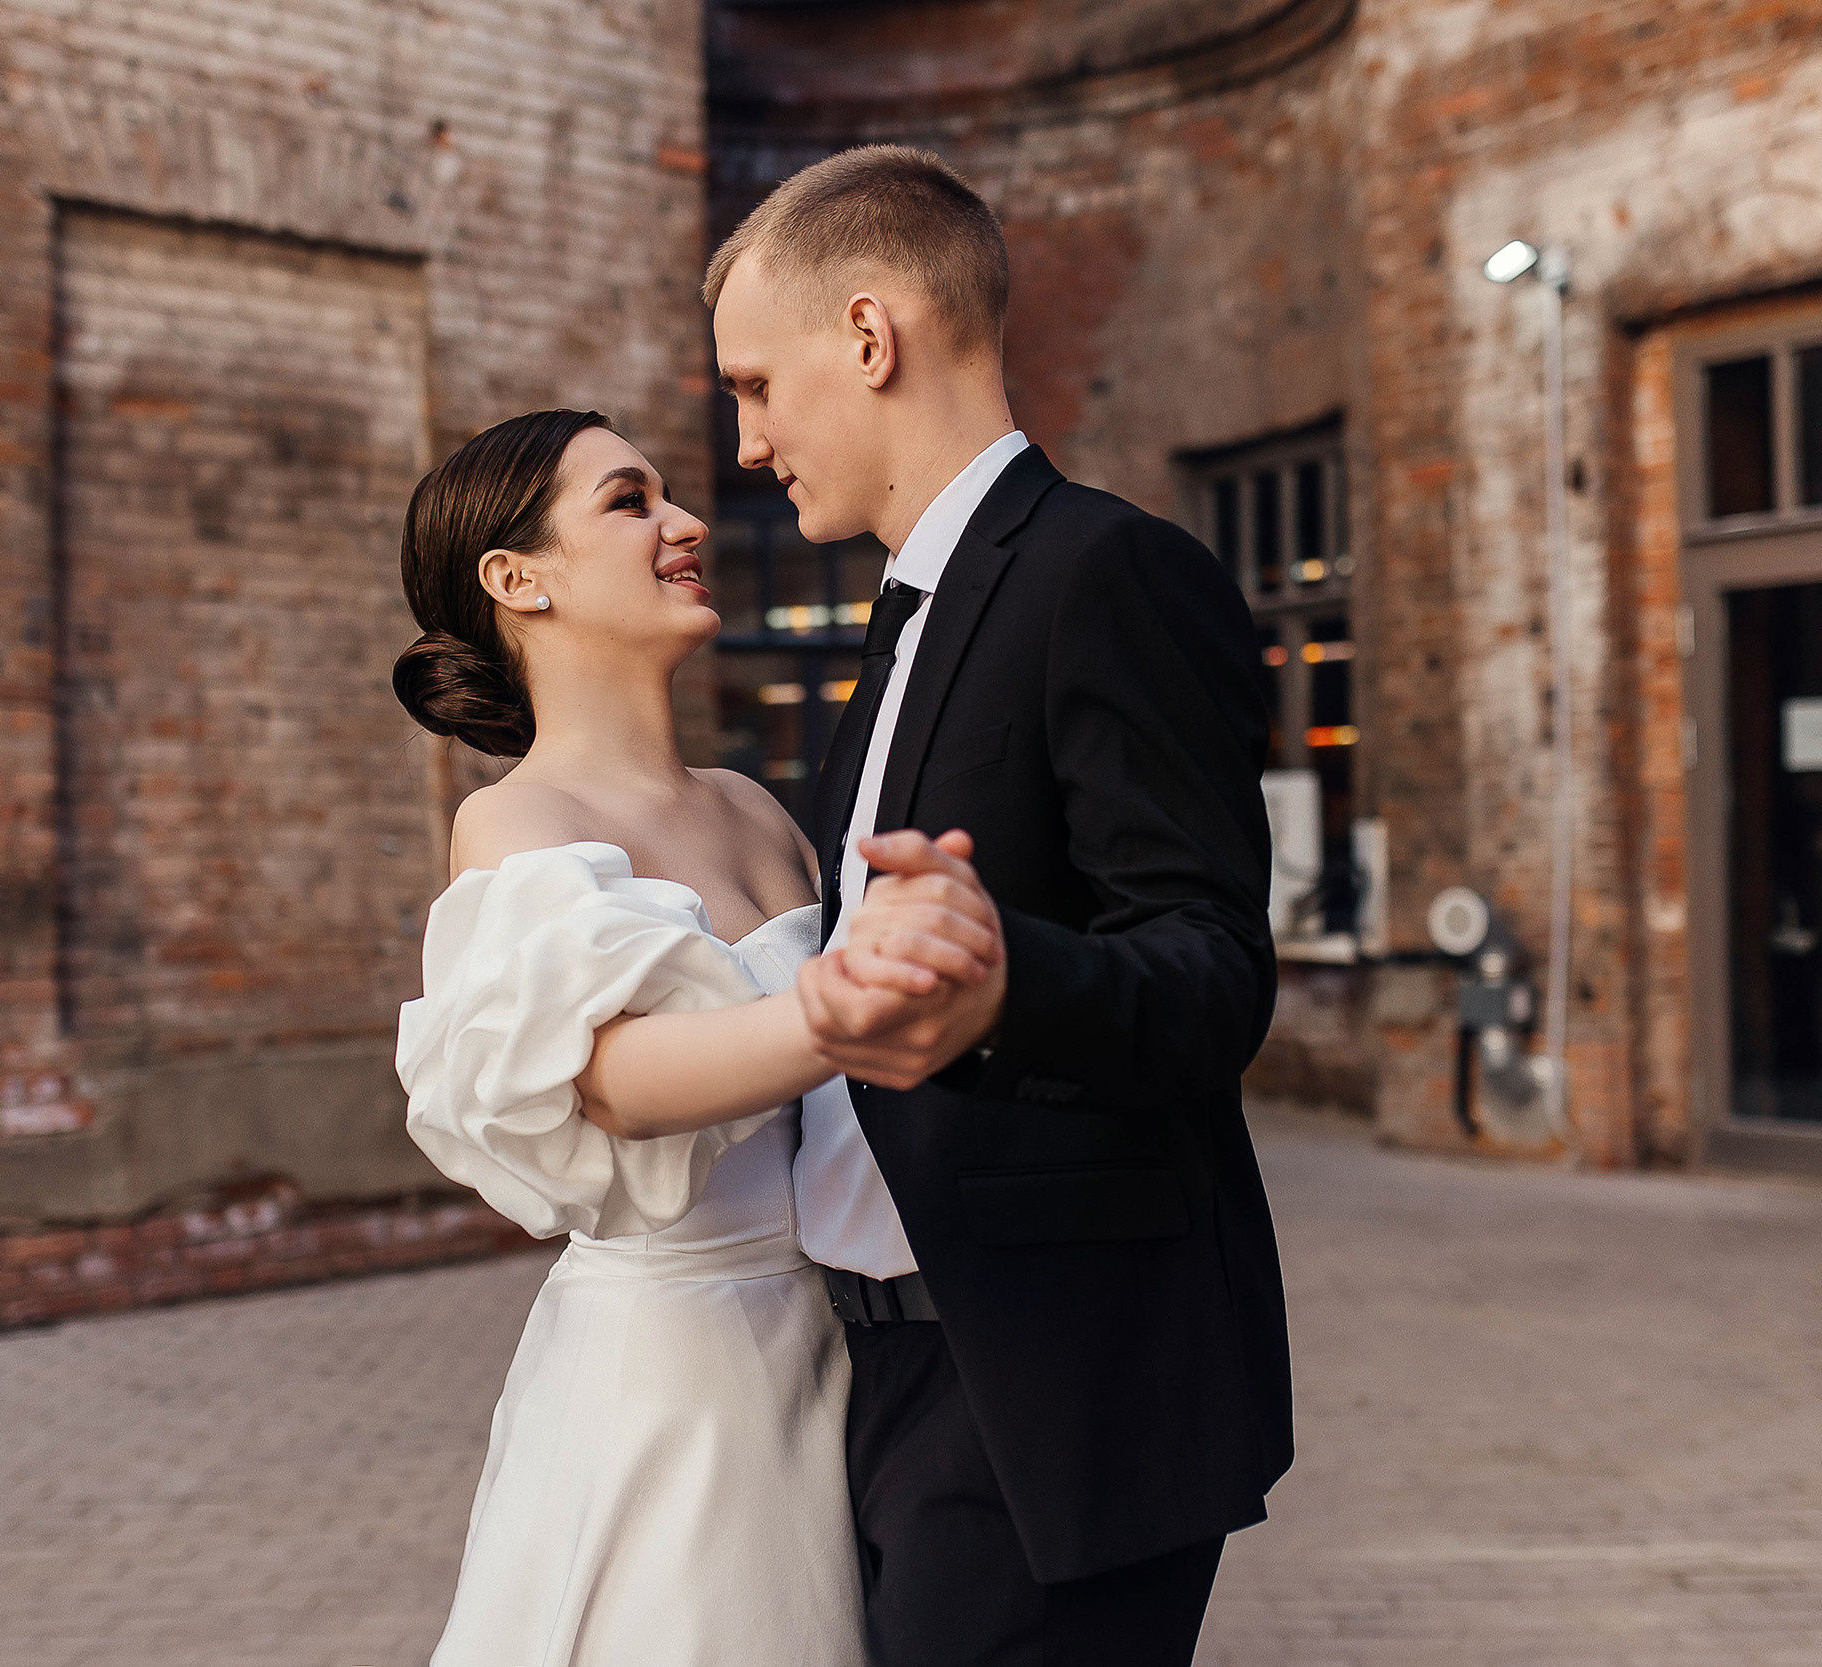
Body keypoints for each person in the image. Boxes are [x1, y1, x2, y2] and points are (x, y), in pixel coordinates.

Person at [707, 145, 1294, 1663]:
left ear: (869, 333)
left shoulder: (1110, 573)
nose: (751, 439)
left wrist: (1005, 986)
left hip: (1043, 1382)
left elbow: (1214, 968)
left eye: (758, 384)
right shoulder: (903, 618)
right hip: (879, 1368)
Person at [390, 408, 998, 1665]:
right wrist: (834, 1011)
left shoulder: (757, 811)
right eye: (629, 501)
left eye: (669, 496)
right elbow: (609, 1081)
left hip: (848, 1358)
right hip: (677, 1380)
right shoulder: (515, 825)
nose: (686, 524)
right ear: (519, 579)